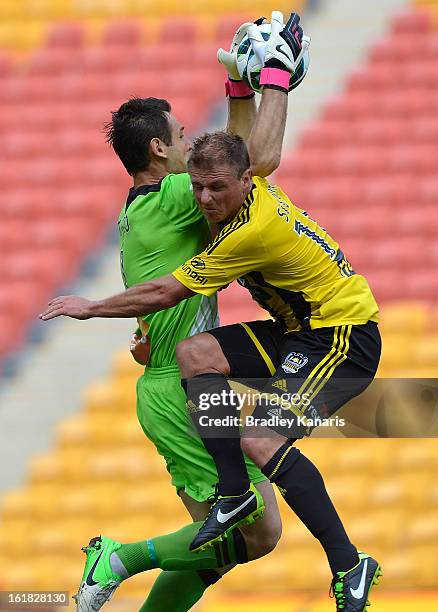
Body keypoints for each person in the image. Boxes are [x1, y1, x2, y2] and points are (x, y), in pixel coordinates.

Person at [40, 14, 383, 612]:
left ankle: (179, 537)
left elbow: (232, 157)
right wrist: (266, 80)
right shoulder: (180, 196)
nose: (200, 186)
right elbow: (253, 157)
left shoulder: (149, 208)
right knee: (254, 536)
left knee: (240, 538)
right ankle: (120, 558)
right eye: (179, 135)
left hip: (193, 369)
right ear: (160, 151)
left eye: (211, 184)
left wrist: (238, 90)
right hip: (178, 388)